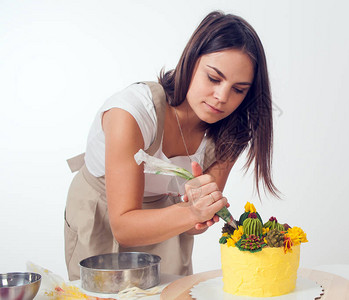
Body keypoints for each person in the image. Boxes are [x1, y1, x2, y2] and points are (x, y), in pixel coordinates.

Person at [64, 10, 279, 280]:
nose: (222, 97)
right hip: (104, 215)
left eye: (239, 89)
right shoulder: (131, 113)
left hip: (169, 218)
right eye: (214, 78)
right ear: (190, 62)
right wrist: (191, 212)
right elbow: (124, 227)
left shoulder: (232, 131)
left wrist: (201, 213)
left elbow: (195, 223)